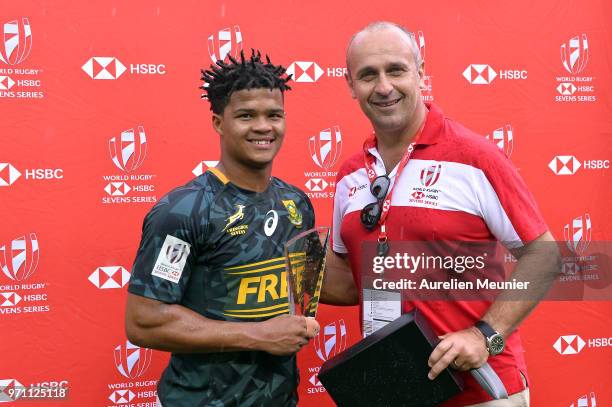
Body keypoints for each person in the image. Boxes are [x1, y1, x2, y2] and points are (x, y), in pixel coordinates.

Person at [320, 22, 560, 406]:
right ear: (350, 84)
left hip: (480, 390)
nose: (383, 87)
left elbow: (545, 254)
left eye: (396, 70)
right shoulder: (350, 175)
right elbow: (350, 283)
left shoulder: (473, 157)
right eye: (368, 75)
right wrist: (275, 259)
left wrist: (485, 335)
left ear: (420, 72)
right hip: (394, 392)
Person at [125, 50, 320, 407]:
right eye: (246, 116)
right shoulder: (183, 211)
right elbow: (144, 321)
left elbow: (317, 282)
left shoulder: (297, 203)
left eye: (274, 115)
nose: (263, 127)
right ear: (218, 122)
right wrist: (258, 335)